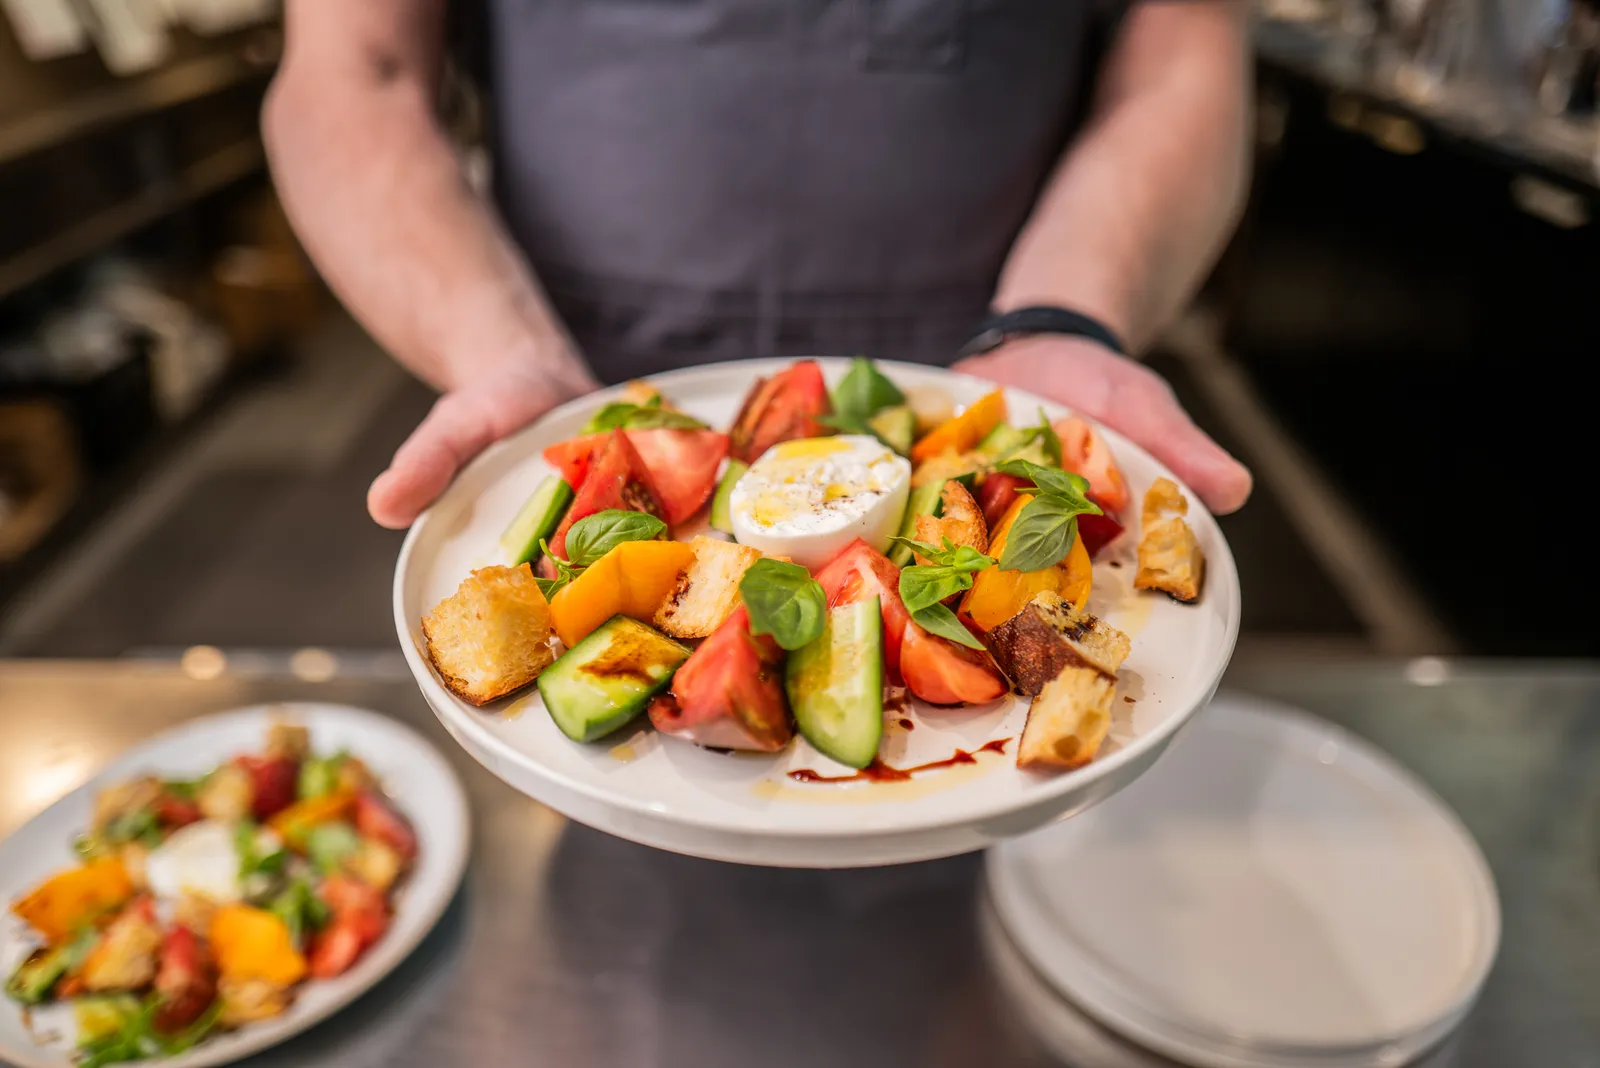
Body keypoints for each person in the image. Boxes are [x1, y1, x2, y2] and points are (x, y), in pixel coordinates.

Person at [263, 1, 1254, 529]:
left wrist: (1064, 315)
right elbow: (355, 70)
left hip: (981, 388)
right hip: (577, 383)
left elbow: (1184, 45)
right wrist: (492, 351)